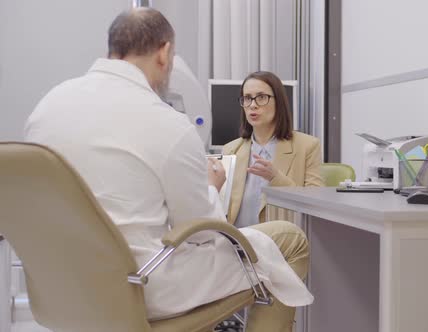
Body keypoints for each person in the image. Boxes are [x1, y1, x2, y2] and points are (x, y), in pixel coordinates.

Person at [24, 8, 312, 332]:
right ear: (164, 53)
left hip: (63, 287)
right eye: (248, 98)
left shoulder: (47, 107)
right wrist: (211, 186)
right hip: (142, 286)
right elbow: (204, 234)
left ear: (112, 49)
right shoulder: (168, 124)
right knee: (289, 239)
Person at [223, 71, 324, 227]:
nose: (253, 105)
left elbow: (316, 204)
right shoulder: (230, 150)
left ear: (279, 102)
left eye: (261, 97)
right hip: (237, 243)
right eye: (247, 98)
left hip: (280, 244)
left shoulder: (308, 146)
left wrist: (276, 178)